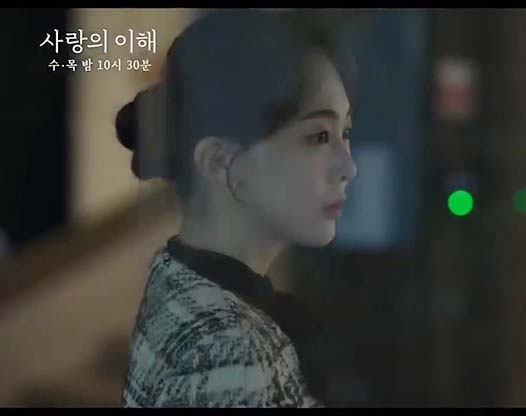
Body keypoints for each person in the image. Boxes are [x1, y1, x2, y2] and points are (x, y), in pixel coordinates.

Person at [117, 10, 357, 407]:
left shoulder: (177, 277)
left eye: (345, 132)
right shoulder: (229, 349)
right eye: (318, 136)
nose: (348, 166)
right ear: (219, 161)